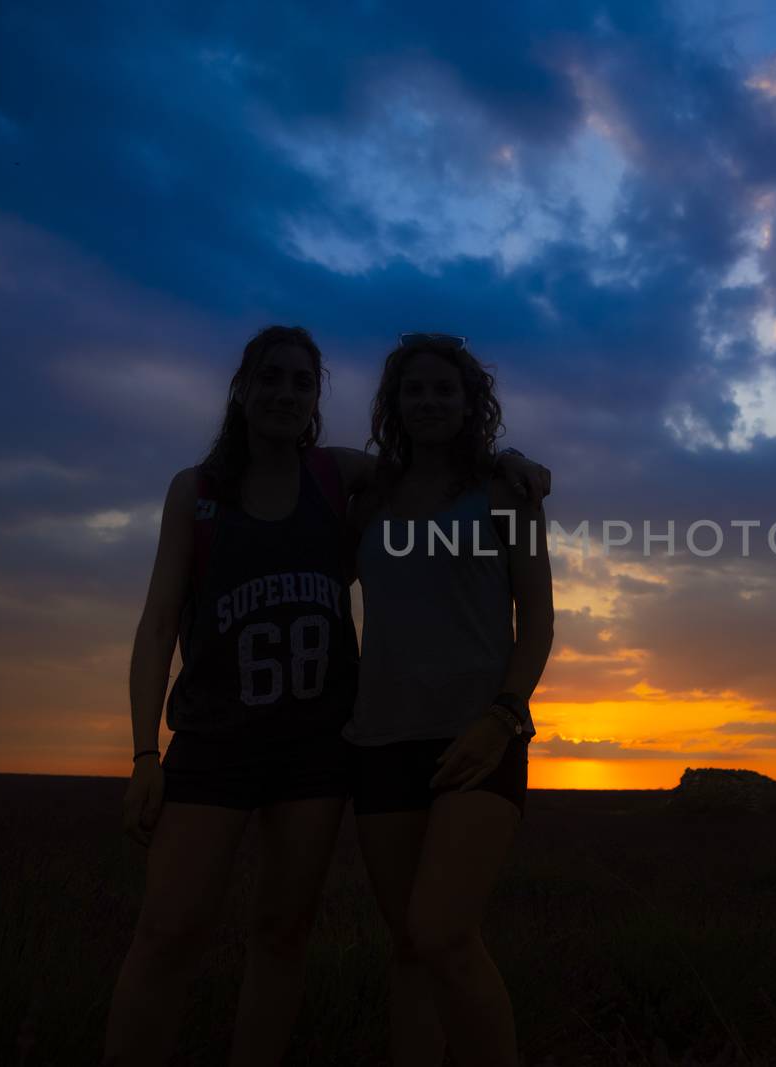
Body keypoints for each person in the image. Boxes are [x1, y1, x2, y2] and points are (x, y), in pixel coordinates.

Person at [102, 326, 549, 1067]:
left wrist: (515, 460)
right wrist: (146, 748)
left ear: (317, 398)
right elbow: (157, 624)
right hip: (263, 738)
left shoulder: (359, 480)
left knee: (355, 932)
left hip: (343, 743)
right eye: (270, 378)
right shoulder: (239, 491)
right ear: (242, 387)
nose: (284, 393)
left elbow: (522, 592)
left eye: (302, 382)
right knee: (174, 931)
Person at [342, 332, 554, 1067]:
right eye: (414, 390)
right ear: (393, 404)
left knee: (443, 932)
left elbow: (539, 621)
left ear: (471, 404)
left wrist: (502, 716)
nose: (429, 402)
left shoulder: (504, 492)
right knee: (407, 947)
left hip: (479, 737)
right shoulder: (367, 495)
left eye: (444, 390)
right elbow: (304, 462)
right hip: (380, 739)